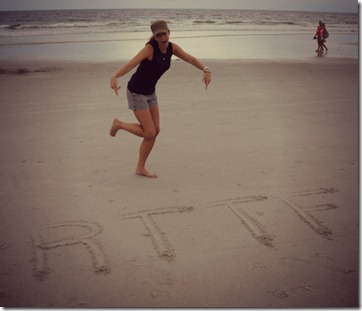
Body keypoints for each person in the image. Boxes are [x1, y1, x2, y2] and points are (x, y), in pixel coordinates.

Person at [109, 20, 211, 178]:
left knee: (155, 131)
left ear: (169, 32)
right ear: (154, 37)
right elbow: (131, 65)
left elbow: (190, 59)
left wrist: (205, 69)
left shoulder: (172, 48)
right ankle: (119, 124)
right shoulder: (149, 49)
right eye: (158, 35)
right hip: (136, 92)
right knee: (149, 132)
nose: (163, 37)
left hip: (150, 92)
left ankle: (140, 168)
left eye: (164, 33)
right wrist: (115, 76)